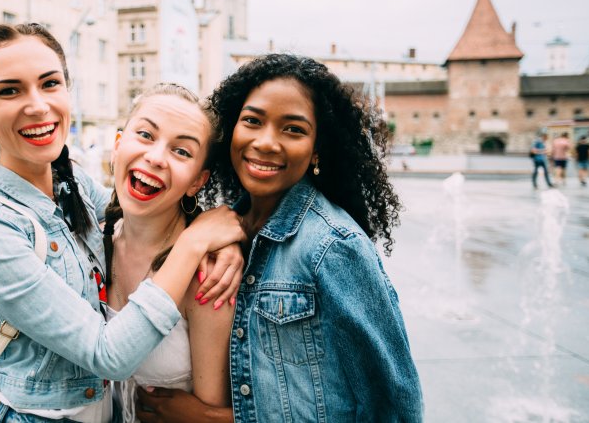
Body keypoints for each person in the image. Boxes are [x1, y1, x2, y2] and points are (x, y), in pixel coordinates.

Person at [0, 23, 245, 423]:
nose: (37, 105)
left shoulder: (72, 189)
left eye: (49, 83)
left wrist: (224, 238)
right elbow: (108, 355)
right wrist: (195, 243)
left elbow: (141, 211)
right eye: (9, 90)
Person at [137, 54, 423, 422]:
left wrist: (211, 419)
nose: (267, 142)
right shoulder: (224, 228)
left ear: (318, 148)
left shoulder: (333, 246)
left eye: (293, 129)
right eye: (252, 121)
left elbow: (397, 408)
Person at [103, 83, 238, 422]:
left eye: (182, 152)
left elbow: (209, 410)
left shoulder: (208, 274)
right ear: (118, 146)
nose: (156, 157)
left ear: (197, 182)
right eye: (146, 135)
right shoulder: (93, 239)